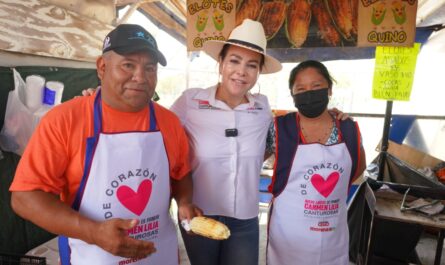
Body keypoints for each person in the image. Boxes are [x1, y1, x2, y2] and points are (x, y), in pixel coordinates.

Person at [9, 24, 201, 265]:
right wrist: (94, 232)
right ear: (102, 67)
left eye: (149, 68)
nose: (140, 77)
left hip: (158, 254)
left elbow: (181, 174)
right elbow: (25, 197)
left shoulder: (169, 123)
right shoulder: (64, 120)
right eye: (128, 65)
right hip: (91, 257)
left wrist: (184, 202)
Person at [169, 19, 282, 265]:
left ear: (259, 72)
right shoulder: (191, 102)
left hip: (246, 217)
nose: (241, 72)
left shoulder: (262, 107)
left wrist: (332, 115)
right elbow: (153, 126)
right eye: (234, 61)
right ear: (220, 63)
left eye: (251, 65)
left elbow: (271, 144)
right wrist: (102, 101)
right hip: (199, 213)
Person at [266, 60, 367, 265]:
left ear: (329, 90)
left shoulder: (348, 129)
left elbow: (358, 169)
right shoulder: (278, 128)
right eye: (301, 88)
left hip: (331, 237)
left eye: (316, 86)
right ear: (293, 95)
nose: (309, 93)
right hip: (288, 238)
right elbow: (251, 160)